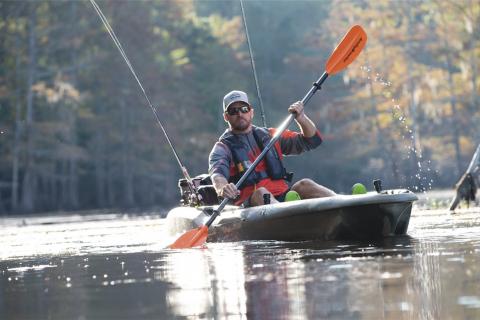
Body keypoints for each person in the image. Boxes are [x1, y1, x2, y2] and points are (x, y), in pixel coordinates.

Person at [208, 90, 336, 207]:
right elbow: (217, 175)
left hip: (283, 196)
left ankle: (345, 203)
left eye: (244, 109)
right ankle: (289, 214)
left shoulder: (271, 135)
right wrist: (223, 188)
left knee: (305, 184)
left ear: (251, 112)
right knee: (261, 193)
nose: (240, 114)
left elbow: (312, 140)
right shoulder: (222, 148)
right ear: (226, 117)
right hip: (250, 205)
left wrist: (301, 118)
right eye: (233, 111)